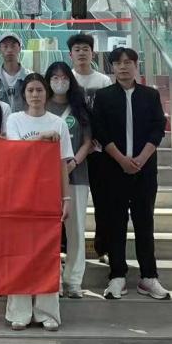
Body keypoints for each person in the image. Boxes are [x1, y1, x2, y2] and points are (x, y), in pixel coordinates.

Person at [91, 47, 171, 301]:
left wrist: (141, 158)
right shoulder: (103, 96)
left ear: (137, 65)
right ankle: (117, 275)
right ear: (112, 68)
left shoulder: (150, 95)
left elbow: (158, 128)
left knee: (144, 222)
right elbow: (100, 131)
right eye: (118, 63)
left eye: (128, 62)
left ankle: (149, 276)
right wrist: (122, 160)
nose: (123, 67)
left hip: (144, 170)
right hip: (113, 169)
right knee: (115, 223)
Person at [4, 73, 72, 331]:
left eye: (39, 90)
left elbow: (63, 164)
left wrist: (66, 198)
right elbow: (15, 151)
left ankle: (47, 312)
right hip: (19, 194)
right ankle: (19, 312)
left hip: (48, 196)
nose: (35, 95)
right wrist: (41, 138)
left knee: (47, 253)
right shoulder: (14, 119)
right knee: (19, 254)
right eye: (30, 90)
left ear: (47, 94)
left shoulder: (58, 123)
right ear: (24, 94)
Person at [44, 61, 93, 298]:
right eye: (54, 77)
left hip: (77, 175)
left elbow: (88, 142)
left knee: (76, 230)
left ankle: (73, 280)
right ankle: (52, 278)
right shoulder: (42, 105)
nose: (59, 81)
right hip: (45, 178)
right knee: (48, 230)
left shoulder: (79, 107)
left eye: (64, 77)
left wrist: (73, 162)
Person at [67, 33, 113, 259]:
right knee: (70, 200)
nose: (82, 53)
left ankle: (102, 246)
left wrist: (101, 139)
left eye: (86, 49)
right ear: (70, 54)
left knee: (102, 200)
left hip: (98, 150)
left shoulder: (103, 81)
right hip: (73, 150)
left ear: (92, 53)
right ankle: (66, 246)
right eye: (77, 49)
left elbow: (108, 115)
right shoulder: (67, 80)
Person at [0, 33, 28, 112]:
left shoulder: (30, 77)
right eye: (5, 46)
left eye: (13, 46)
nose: (9, 50)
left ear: (20, 48)